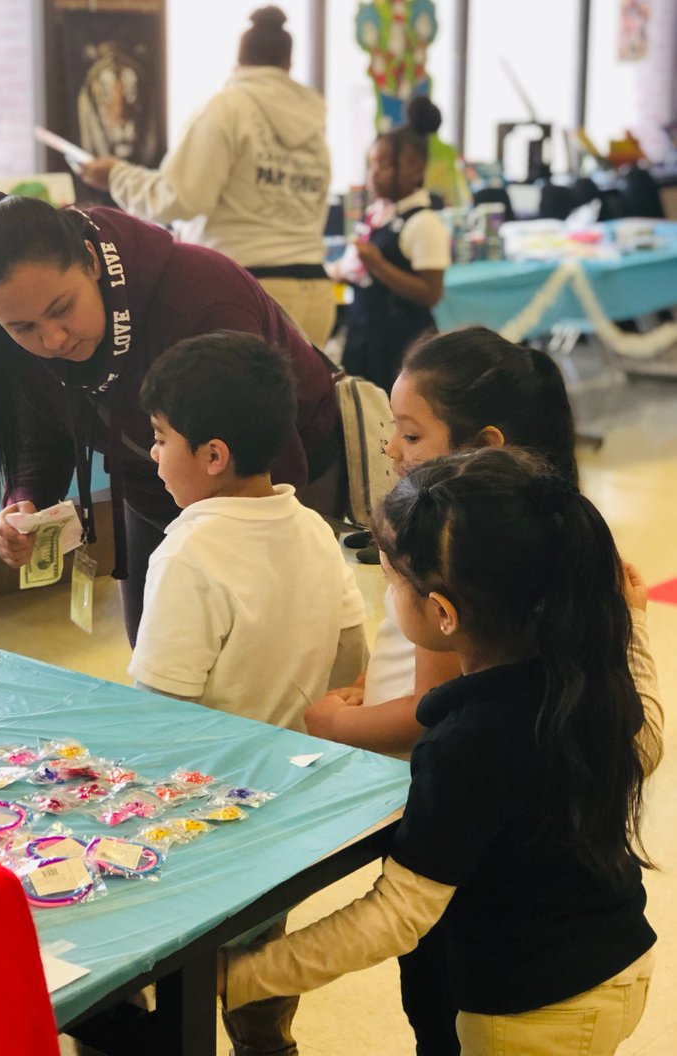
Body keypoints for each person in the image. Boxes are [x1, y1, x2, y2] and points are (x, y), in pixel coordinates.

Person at [222, 446, 662, 1056]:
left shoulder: (469, 744)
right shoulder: (580, 675)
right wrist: (632, 625)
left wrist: (239, 976)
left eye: (391, 575)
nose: (385, 585)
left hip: (533, 1011)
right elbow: (645, 742)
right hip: (617, 966)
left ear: (443, 613)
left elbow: (398, 914)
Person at [307, 325, 583, 1056]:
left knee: (440, 1006)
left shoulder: (455, 566)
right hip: (504, 842)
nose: (391, 449)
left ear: (481, 443)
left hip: (446, 829)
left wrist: (330, 723)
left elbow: (429, 717)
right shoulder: (544, 531)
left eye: (408, 432)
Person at [0, 193, 341, 646]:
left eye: (62, 308)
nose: (53, 338)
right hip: (152, 482)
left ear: (91, 260)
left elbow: (271, 462)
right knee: (157, 653)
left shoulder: (198, 300)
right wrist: (23, 504)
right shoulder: (22, 332)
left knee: (263, 653)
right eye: (22, 328)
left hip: (272, 482)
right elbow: (42, 438)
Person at [129, 331, 367, 732]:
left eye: (160, 437)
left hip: (219, 779)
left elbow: (159, 708)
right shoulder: (314, 527)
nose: (153, 452)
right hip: (305, 759)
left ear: (213, 456)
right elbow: (350, 657)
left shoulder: (186, 555)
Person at [78, 6, 336, 348]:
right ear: (289, 65)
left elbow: (180, 198)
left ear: (239, 61)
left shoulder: (228, 109)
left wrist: (116, 176)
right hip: (316, 290)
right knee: (303, 402)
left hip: (249, 290)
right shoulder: (314, 128)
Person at [337, 96, 451, 394]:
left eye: (384, 165)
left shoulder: (424, 222)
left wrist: (378, 265)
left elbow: (430, 292)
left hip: (399, 344)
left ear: (415, 167)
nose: (374, 174)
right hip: (366, 333)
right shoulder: (380, 215)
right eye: (371, 165)